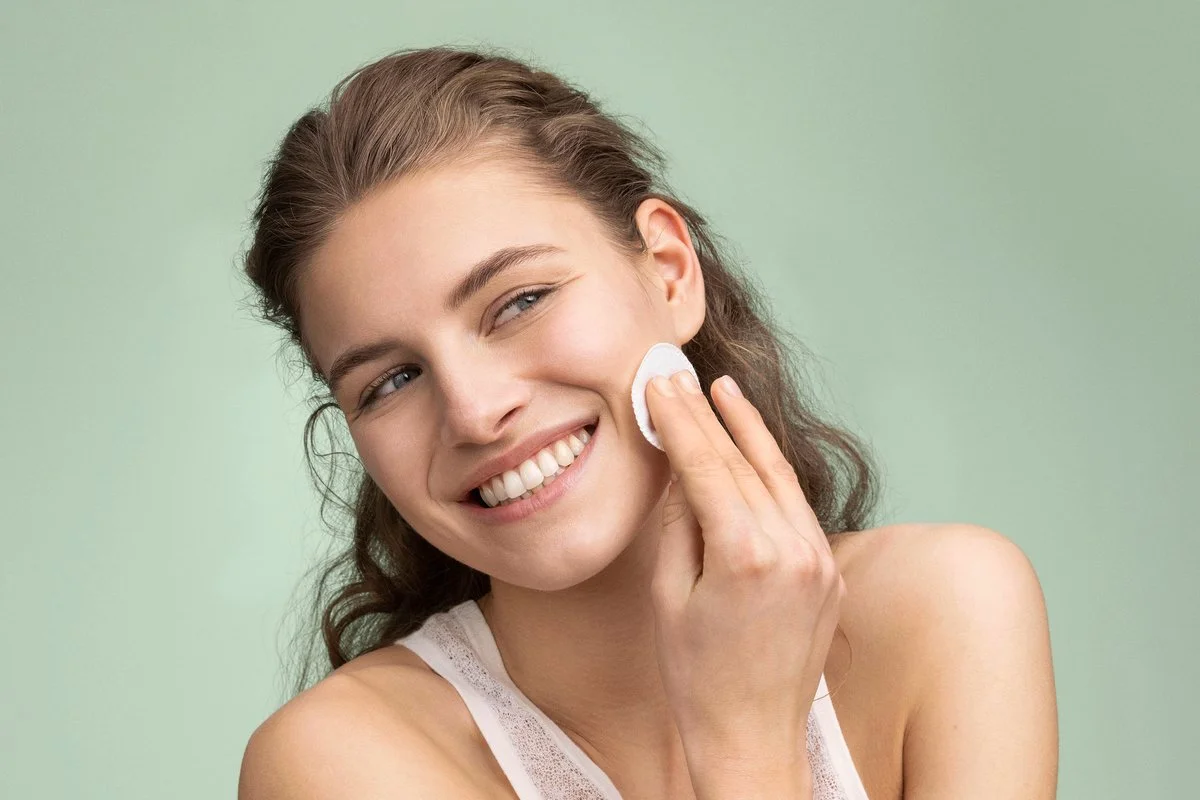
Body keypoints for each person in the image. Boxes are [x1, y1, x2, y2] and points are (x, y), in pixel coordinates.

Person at [236, 45, 1058, 799]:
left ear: (668, 273)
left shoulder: (947, 611)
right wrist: (744, 742)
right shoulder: (337, 762)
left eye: (519, 302)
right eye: (392, 381)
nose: (477, 412)